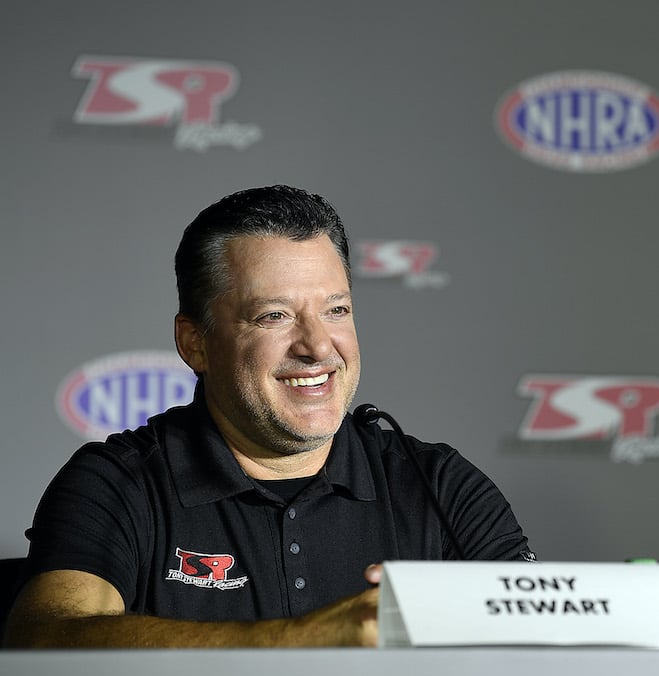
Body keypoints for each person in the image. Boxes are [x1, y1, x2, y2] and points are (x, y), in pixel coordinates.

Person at [4, 184, 535, 649]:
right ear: (195, 343)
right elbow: (46, 638)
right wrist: (311, 637)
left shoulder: (437, 483)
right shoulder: (118, 481)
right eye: (274, 316)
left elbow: (545, 644)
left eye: (336, 310)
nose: (317, 346)